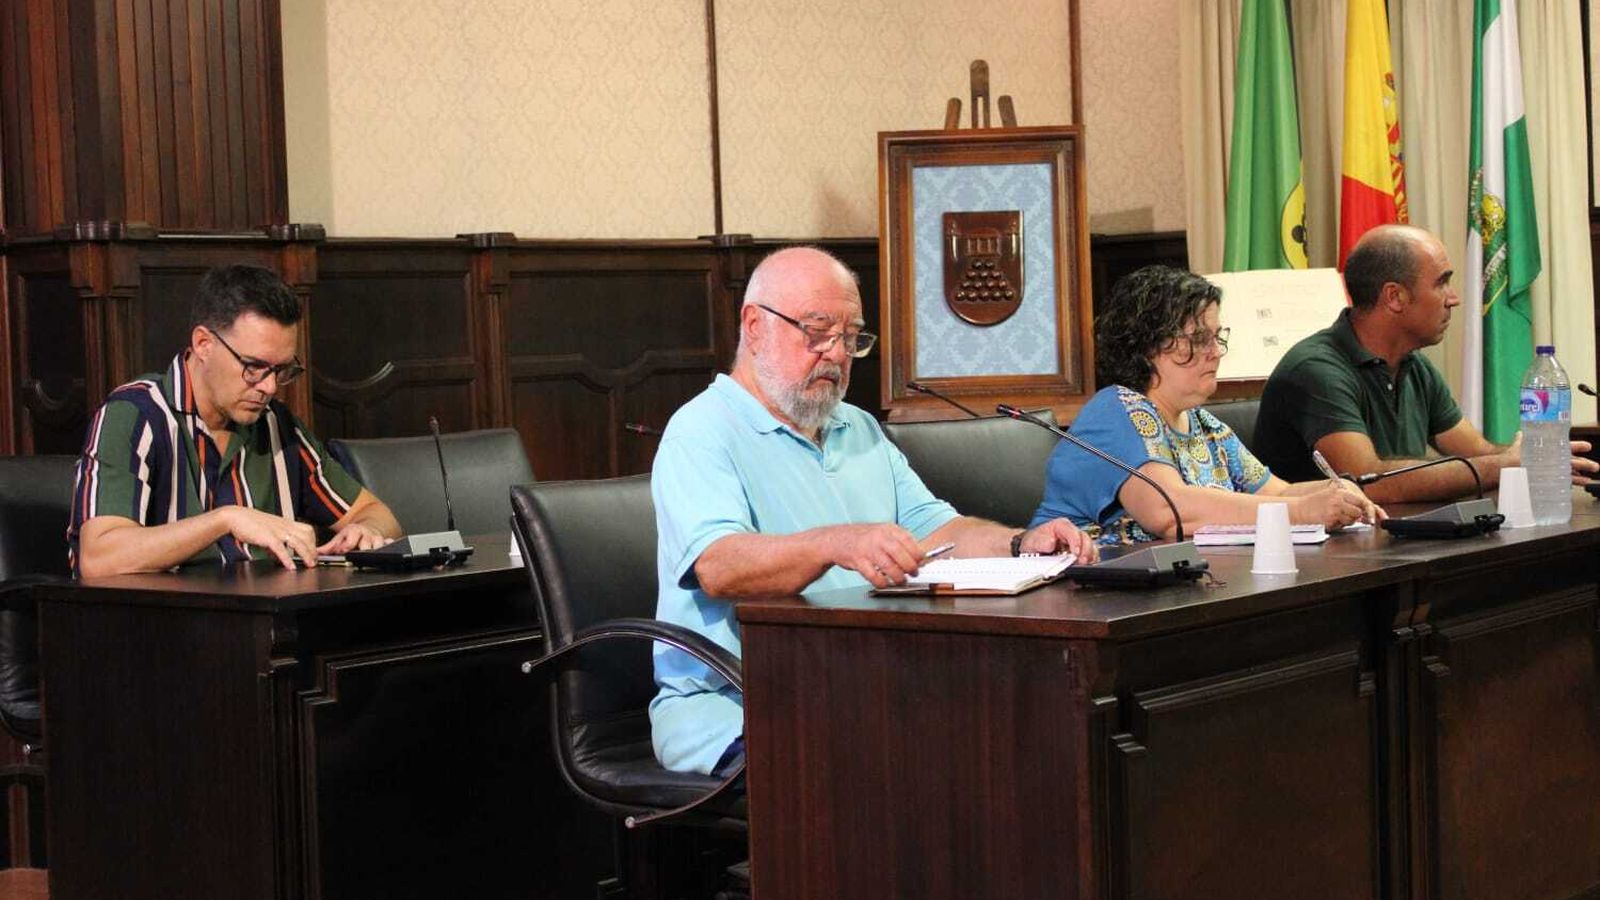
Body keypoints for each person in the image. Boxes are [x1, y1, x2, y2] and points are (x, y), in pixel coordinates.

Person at [649, 246, 1099, 775]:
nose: (837, 354)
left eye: (850, 337)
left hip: (862, 683)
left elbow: (937, 530)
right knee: (897, 763)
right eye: (817, 332)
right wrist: (833, 542)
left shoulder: (856, 427)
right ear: (754, 326)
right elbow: (719, 566)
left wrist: (1023, 543)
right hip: (739, 702)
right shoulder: (701, 431)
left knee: (1017, 727)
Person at [69, 264, 402, 577]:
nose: (269, 387)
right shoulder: (134, 414)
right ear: (203, 344)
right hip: (160, 628)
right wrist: (225, 520)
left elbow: (378, 515)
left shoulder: (276, 425)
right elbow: (99, 559)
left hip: (267, 621)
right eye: (253, 367)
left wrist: (366, 530)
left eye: (281, 370)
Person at [1031, 265, 1381, 544]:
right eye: (1198, 339)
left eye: (1216, 337)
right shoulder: (1116, 409)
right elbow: (1171, 512)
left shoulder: (1203, 424)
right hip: (1082, 600)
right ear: (1146, 344)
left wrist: (1337, 491)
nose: (1215, 351)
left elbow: (1281, 491)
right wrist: (1303, 511)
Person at [1254, 224, 1597, 503]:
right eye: (1442, 283)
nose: (1454, 298)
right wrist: (1507, 466)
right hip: (1325, 568)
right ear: (1395, 297)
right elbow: (1370, 482)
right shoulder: (1315, 370)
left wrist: (1534, 454)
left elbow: (1480, 452)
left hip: (1399, 548)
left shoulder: (1413, 364)